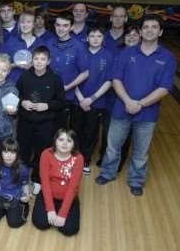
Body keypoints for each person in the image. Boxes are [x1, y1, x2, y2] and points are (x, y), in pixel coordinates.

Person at [95, 14, 177, 196]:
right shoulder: (127, 53)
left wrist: (140, 104)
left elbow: (164, 88)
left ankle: (136, 180)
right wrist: (128, 101)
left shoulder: (168, 57)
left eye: (154, 27)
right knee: (112, 146)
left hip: (147, 114)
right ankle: (108, 173)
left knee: (141, 151)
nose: (149, 30)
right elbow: (116, 79)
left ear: (161, 31)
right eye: (146, 27)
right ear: (140, 31)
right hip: (121, 109)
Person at [16, 46, 65, 194]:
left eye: (42, 59)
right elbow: (15, 95)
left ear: (48, 61)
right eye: (36, 58)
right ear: (32, 60)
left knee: (42, 153)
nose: (39, 62)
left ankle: (37, 179)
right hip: (25, 121)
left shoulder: (55, 78)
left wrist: (47, 105)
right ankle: (22, 179)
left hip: (45, 123)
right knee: (23, 151)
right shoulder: (24, 76)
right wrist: (22, 102)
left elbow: (61, 102)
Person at [71, 24, 113, 175]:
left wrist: (92, 99)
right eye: (92, 36)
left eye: (99, 36)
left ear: (103, 38)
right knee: (75, 131)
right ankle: (73, 159)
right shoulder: (79, 52)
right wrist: (82, 98)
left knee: (91, 132)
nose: (95, 39)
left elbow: (109, 81)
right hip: (77, 100)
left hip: (97, 102)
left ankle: (86, 160)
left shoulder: (108, 55)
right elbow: (73, 78)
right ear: (87, 38)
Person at [98, 24, 140, 170]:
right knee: (107, 130)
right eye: (129, 34)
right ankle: (104, 156)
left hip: (131, 102)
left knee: (126, 133)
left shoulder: (142, 54)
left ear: (140, 37)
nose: (131, 37)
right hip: (112, 99)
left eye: (135, 34)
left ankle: (120, 161)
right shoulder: (118, 53)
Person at [32, 129, 84, 236]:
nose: (64, 143)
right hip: (48, 195)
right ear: (55, 141)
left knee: (69, 230)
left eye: (69, 141)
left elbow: (72, 188)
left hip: (67, 197)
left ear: (74, 144)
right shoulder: (46, 154)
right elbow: (45, 183)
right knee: (41, 223)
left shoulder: (78, 158)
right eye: (61, 139)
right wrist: (50, 209)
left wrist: (62, 214)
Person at [46, 11, 89, 130]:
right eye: (58, 25)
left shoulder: (78, 46)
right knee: (46, 131)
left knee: (60, 132)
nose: (61, 28)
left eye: (65, 25)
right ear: (54, 26)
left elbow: (85, 73)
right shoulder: (49, 43)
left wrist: (68, 87)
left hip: (66, 97)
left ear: (71, 27)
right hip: (47, 95)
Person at [0, 137, 30, 228]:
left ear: (17, 154)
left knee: (13, 223)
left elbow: (25, 184)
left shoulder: (23, 169)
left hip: (16, 196)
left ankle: (21, 207)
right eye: (5, 152)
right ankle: (3, 208)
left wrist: (26, 195)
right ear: (0, 153)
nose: (8, 156)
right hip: (1, 194)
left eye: (12, 152)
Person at [5, 10, 45, 83]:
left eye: (28, 22)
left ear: (33, 24)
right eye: (22, 22)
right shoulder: (11, 41)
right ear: (19, 24)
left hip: (34, 84)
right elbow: (2, 65)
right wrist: (16, 64)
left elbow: (46, 67)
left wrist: (33, 65)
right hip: (12, 84)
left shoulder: (41, 44)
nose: (25, 25)